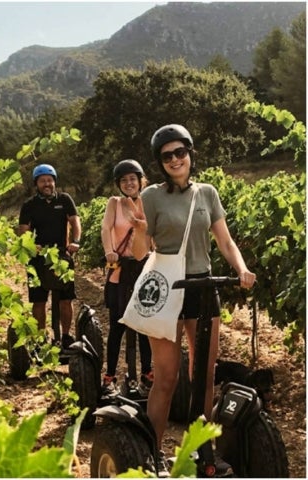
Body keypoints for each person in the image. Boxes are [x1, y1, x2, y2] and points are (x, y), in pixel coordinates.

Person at [124, 124, 256, 475]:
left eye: (180, 152)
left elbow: (225, 242)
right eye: (167, 156)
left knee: (205, 376)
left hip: (203, 287)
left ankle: (203, 451)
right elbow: (141, 253)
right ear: (160, 162)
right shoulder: (150, 197)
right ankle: (152, 453)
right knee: (166, 377)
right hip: (167, 289)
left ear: (190, 153)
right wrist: (139, 232)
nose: (175, 159)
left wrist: (241, 269)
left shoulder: (208, 193)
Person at [100, 159, 153, 395]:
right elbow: (106, 228)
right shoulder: (115, 203)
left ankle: (147, 373)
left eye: (133, 178)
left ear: (141, 180)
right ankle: (110, 375)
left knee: (144, 326)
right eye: (124, 180)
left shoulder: (149, 202)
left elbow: (155, 232)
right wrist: (109, 251)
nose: (129, 183)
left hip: (143, 269)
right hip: (120, 269)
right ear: (119, 184)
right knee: (117, 324)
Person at [17, 164, 82, 350]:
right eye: (43, 181)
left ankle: (66, 336)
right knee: (39, 301)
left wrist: (76, 241)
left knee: (65, 299)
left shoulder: (65, 199)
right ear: (36, 184)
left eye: (50, 180)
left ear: (54, 182)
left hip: (61, 254)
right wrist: (31, 245)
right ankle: (39, 340)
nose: (47, 184)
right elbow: (23, 231)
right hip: (37, 258)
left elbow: (75, 221)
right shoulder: (29, 205)